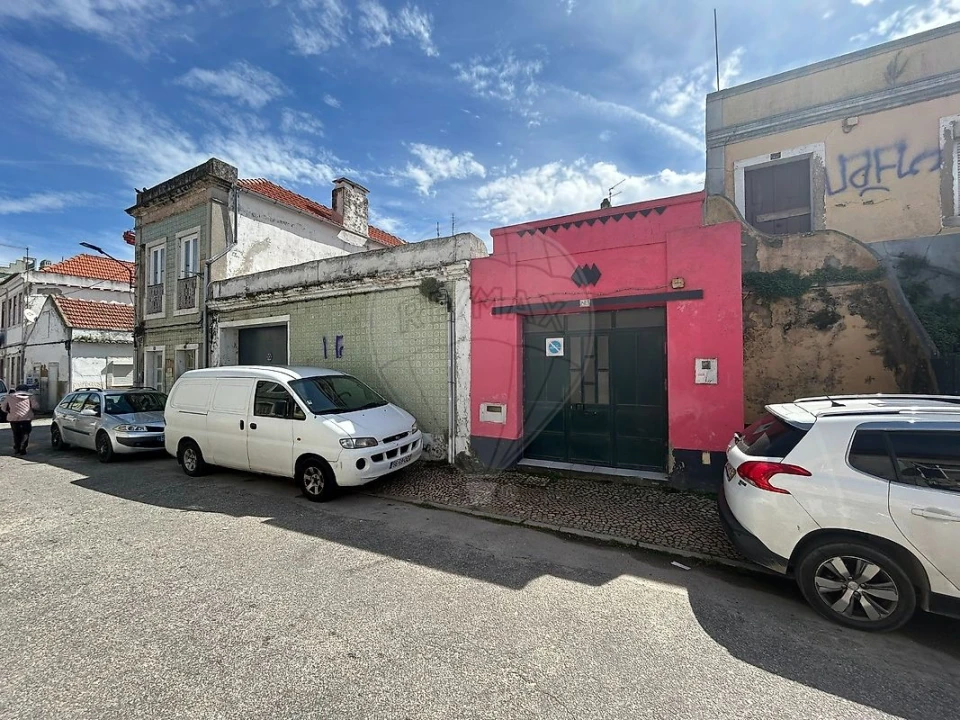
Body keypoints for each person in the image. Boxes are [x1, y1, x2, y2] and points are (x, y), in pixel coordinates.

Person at [1, 385, 39, 455]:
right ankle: (23, 447)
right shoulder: (30, 397)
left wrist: (9, 412)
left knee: (16, 433)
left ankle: (17, 448)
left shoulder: (9, 397)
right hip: (26, 418)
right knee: (26, 433)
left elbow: (3, 407)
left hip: (13, 418)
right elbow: (35, 406)